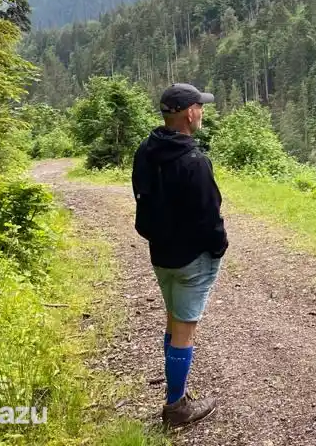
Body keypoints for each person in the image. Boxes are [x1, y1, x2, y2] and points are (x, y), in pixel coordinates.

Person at [131, 82, 228, 429]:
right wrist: (219, 248)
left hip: (161, 254)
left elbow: (140, 197)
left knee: (173, 322)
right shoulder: (194, 161)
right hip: (191, 259)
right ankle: (176, 407)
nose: (202, 111)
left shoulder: (146, 150)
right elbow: (209, 216)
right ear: (189, 113)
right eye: (200, 106)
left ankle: (178, 389)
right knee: (184, 331)